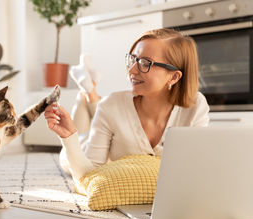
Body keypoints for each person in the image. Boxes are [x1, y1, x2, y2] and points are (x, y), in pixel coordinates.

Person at [44, 28, 210, 188]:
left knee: (105, 110)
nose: (131, 70)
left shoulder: (195, 107)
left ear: (173, 76)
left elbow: (195, 169)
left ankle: (89, 89)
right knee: (72, 149)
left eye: (145, 63)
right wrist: (68, 137)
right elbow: (89, 175)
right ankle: (86, 92)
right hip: (83, 147)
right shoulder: (111, 105)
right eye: (133, 59)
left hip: (108, 117)